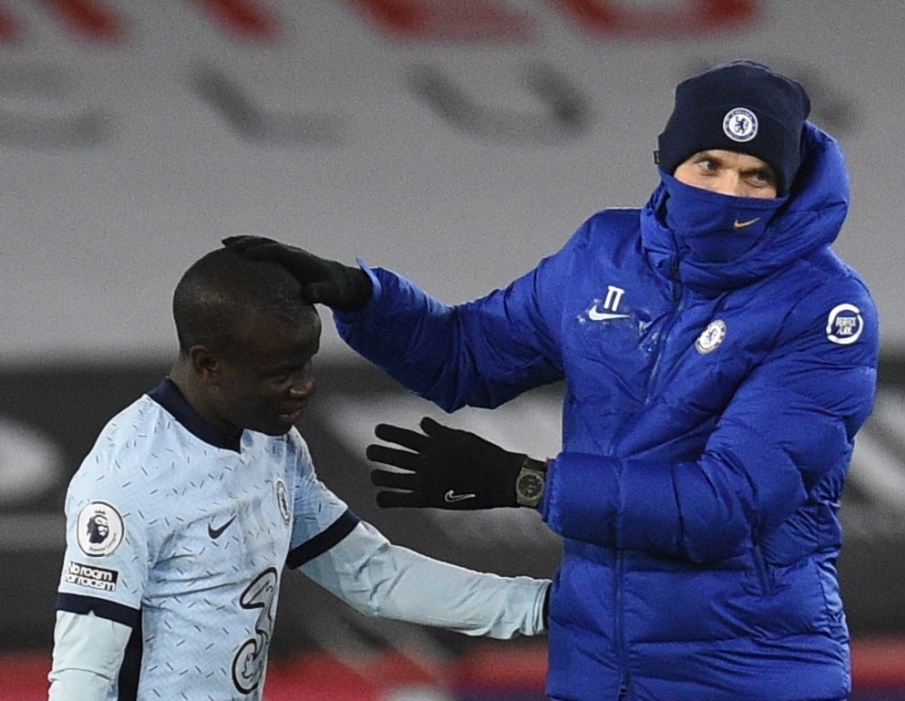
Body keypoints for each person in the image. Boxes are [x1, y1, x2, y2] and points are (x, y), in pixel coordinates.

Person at [226, 59, 879, 700]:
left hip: (750, 667)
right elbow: (468, 354)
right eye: (709, 165)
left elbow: (722, 505)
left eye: (754, 175)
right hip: (599, 665)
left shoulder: (824, 311)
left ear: (785, 187)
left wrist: (526, 481)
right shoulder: (601, 254)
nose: (727, 193)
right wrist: (362, 296)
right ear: (669, 160)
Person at [47, 248, 550, 701]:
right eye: (280, 374)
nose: (304, 388)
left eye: (306, 365)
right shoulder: (127, 477)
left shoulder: (272, 443)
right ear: (208, 364)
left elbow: (370, 575)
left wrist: (538, 604)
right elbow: (82, 670)